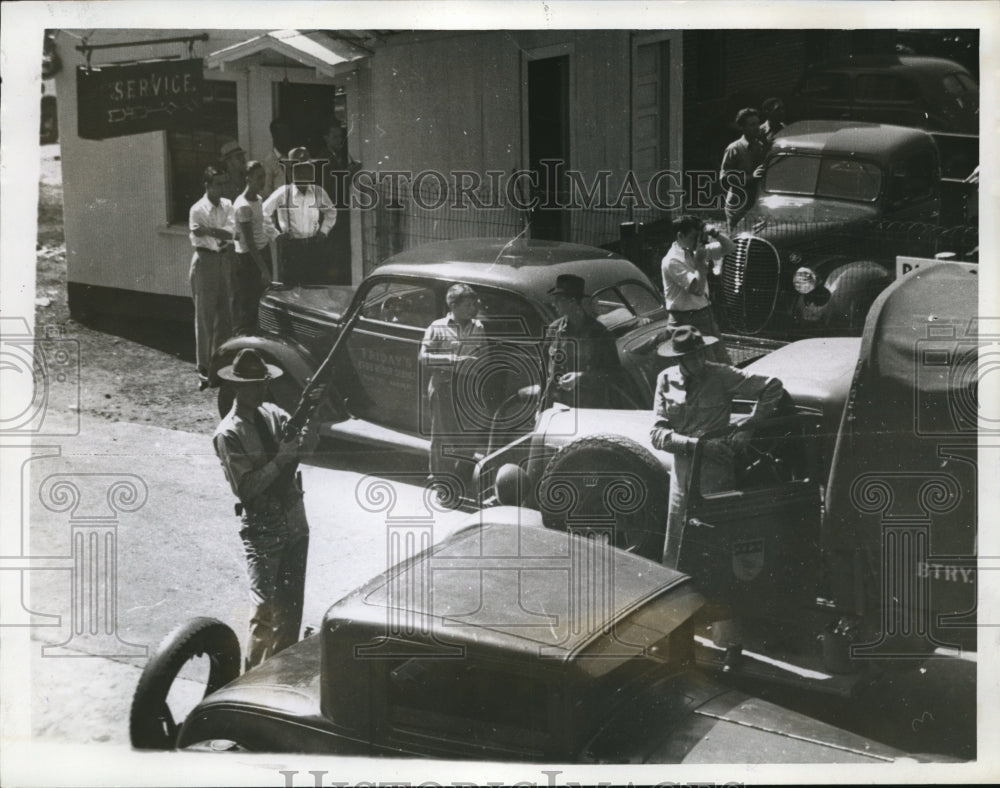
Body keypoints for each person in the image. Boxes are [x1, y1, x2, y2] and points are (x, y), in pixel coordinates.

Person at [213, 348, 319, 670]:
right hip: (264, 528)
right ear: (236, 388)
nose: (262, 389)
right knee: (263, 613)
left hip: (295, 521)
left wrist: (314, 410)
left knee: (291, 607)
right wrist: (281, 460)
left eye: (263, 383)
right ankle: (250, 681)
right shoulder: (229, 433)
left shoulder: (273, 413)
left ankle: (280, 673)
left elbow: (309, 445)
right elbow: (245, 488)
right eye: (254, 385)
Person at [650, 325, 785, 569]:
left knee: (717, 544)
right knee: (677, 549)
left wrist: (749, 426)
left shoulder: (721, 375)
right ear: (680, 359)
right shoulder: (666, 380)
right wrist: (699, 446)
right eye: (692, 357)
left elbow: (772, 386)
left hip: (715, 476)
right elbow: (657, 435)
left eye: (702, 354)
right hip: (681, 479)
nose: (699, 361)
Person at [419, 284, 487, 499]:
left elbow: (484, 355)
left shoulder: (478, 327)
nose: (473, 309)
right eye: (468, 305)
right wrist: (453, 360)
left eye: (474, 304)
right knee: (442, 438)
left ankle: (460, 479)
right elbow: (423, 357)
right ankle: (442, 485)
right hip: (444, 387)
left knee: (468, 437)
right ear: (453, 305)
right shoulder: (437, 327)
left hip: (468, 388)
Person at [660, 215, 734, 364]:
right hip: (687, 321)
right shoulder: (672, 261)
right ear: (680, 236)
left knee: (724, 363)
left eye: (699, 237)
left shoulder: (694, 249)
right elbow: (698, 290)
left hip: (705, 315)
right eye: (694, 237)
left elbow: (730, 248)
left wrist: (715, 233)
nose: (697, 242)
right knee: (709, 369)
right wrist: (700, 262)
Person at [543, 274, 623, 408]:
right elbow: (545, 371)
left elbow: (615, 375)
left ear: (573, 302)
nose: (554, 304)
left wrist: (581, 377)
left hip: (590, 408)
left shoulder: (600, 334)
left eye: (559, 299)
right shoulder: (554, 330)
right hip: (558, 407)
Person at [189, 165, 236, 390]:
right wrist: (215, 233)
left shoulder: (228, 205)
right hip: (205, 260)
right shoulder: (197, 209)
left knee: (225, 314)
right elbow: (211, 237)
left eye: (224, 183)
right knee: (205, 315)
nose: (221, 188)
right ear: (207, 185)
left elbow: (231, 234)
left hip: (224, 259)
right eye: (217, 184)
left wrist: (208, 231)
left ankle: (221, 365)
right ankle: (204, 369)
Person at [262, 147, 337, 285]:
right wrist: (275, 235)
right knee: (292, 289)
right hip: (291, 248)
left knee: (315, 286)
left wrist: (324, 231)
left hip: (313, 247)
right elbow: (263, 212)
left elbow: (331, 212)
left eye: (307, 169)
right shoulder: (283, 193)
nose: (303, 173)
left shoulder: (318, 192)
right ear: (290, 173)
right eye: (298, 170)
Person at [232, 161, 276, 335]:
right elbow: (249, 242)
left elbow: (261, 227)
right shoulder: (242, 206)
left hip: (262, 252)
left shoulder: (258, 199)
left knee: (262, 302)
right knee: (249, 306)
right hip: (249, 260)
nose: (263, 181)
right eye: (258, 178)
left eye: (264, 177)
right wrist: (264, 270)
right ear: (248, 179)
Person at [316, 121, 362, 285]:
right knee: (333, 257)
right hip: (330, 215)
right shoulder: (324, 158)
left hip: (337, 215)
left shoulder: (336, 157)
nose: (339, 141)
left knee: (338, 255)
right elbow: (329, 187)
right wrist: (347, 174)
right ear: (326, 138)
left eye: (340, 137)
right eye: (335, 137)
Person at [720, 107, 765, 231]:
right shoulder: (734, 149)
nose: (757, 127)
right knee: (736, 239)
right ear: (742, 127)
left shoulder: (760, 146)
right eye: (752, 125)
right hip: (738, 205)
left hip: (754, 203)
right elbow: (725, 178)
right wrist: (751, 178)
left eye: (758, 123)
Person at [263, 117, 292, 197]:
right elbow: (267, 193)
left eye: (287, 134)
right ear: (274, 136)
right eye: (282, 134)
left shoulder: (294, 156)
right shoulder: (269, 161)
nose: (287, 138)